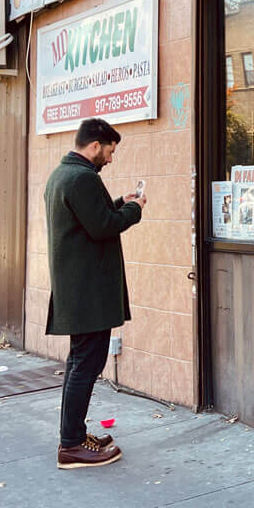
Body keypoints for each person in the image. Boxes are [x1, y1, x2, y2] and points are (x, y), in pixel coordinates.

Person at [45, 118, 146, 469]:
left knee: (79, 364)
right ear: (95, 145)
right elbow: (103, 226)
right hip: (88, 292)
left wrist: (119, 201)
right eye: (110, 150)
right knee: (86, 366)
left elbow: (89, 218)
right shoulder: (83, 178)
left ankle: (73, 435)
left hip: (78, 290)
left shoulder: (63, 175)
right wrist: (133, 210)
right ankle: (71, 445)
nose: (111, 158)